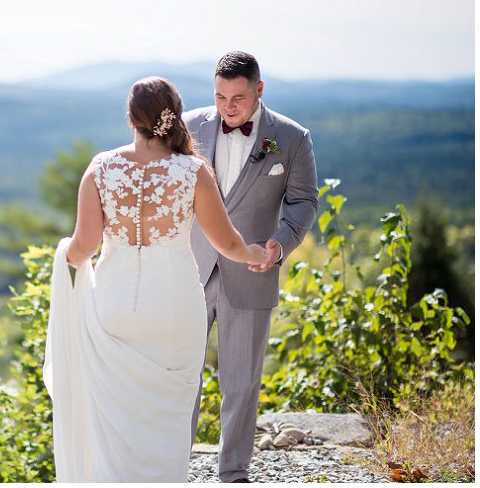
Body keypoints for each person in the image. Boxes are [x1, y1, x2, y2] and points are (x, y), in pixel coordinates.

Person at [42, 76, 269, 482]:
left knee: (114, 416)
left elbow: (83, 248)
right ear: (174, 117)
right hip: (175, 310)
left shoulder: (101, 169)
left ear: (131, 119)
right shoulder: (194, 172)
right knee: (169, 417)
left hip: (113, 308)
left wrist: (62, 254)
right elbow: (228, 243)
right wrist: (256, 253)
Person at [184, 51, 319, 483]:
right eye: (221, 96)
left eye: (238, 97)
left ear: (259, 90)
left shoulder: (292, 138)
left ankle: (234, 471)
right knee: (179, 374)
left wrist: (279, 246)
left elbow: (303, 202)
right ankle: (171, 467)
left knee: (241, 383)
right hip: (189, 270)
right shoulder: (190, 126)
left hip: (254, 272)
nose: (228, 107)